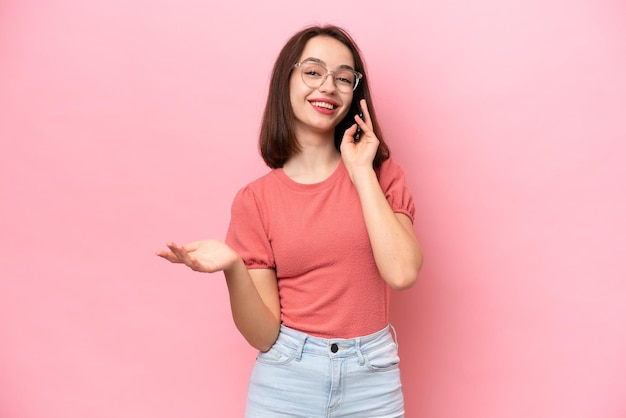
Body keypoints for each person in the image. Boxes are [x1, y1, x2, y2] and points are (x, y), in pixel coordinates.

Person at [156, 24, 423, 418]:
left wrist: (361, 170)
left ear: (354, 93)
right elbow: (263, 334)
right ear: (286, 81)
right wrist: (233, 266)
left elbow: (402, 273)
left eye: (343, 77)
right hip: (287, 380)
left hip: (373, 380)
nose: (328, 86)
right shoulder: (255, 201)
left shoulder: (382, 174)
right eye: (313, 71)